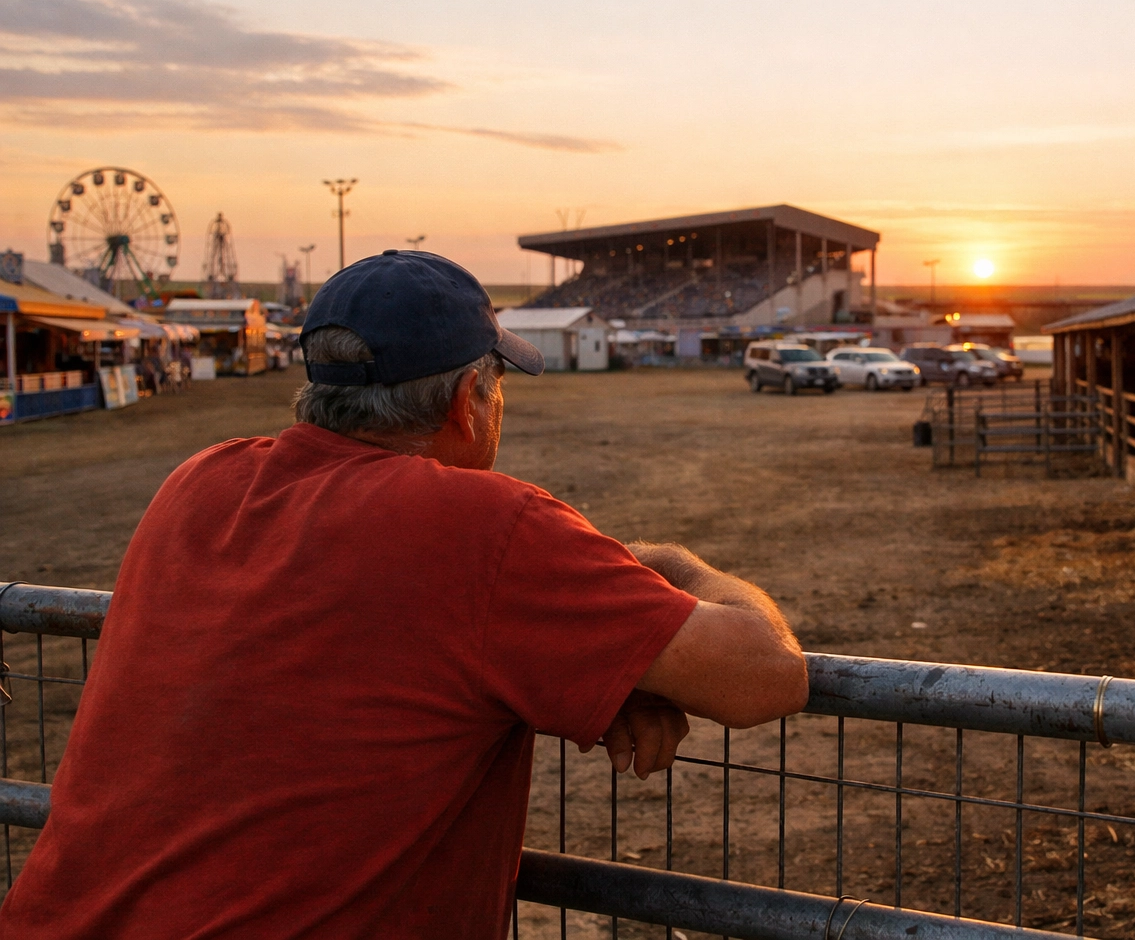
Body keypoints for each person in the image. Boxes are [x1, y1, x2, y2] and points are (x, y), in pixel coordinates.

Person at [0, 250, 806, 939]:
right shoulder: (489, 529)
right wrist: (663, 565)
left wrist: (616, 655)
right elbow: (765, 674)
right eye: (498, 385)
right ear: (467, 403)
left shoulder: (198, 481)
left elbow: (357, 651)